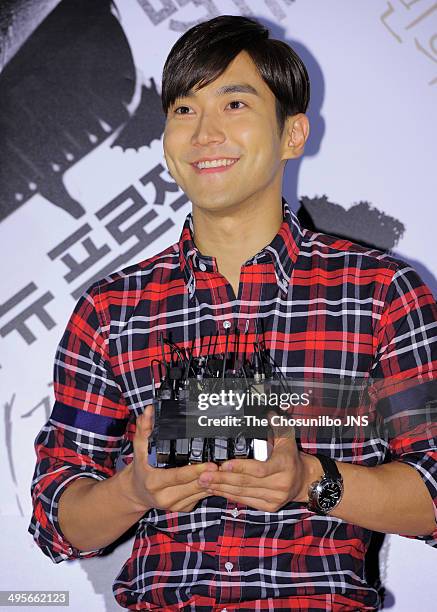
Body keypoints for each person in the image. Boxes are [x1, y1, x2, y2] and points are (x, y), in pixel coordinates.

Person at [28, 14, 437, 611]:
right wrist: (135, 488)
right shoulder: (112, 309)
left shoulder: (379, 292)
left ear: (292, 134)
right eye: (184, 110)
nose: (204, 133)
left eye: (235, 103)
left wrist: (310, 482)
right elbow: (55, 518)